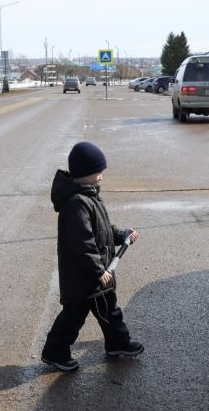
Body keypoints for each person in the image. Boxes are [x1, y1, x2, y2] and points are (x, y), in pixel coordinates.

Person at [41, 141, 143, 372]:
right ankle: (55, 351)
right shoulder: (76, 204)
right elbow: (83, 245)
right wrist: (99, 271)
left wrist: (120, 234)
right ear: (85, 173)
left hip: (98, 275)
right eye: (99, 172)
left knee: (109, 311)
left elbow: (102, 229)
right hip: (85, 276)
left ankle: (117, 343)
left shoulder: (90, 195)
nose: (101, 176)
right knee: (74, 316)